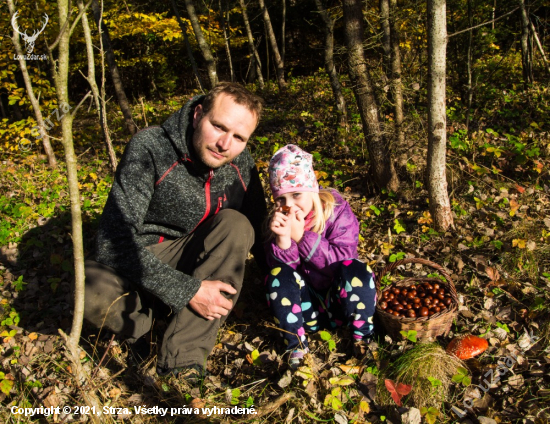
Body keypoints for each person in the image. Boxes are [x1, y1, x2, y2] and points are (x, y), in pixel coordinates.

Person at [84, 82, 267, 379]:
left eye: (239, 137)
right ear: (197, 115)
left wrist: (296, 282)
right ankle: (142, 332)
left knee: (237, 225)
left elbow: (258, 234)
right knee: (87, 289)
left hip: (195, 259)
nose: (225, 144)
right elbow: (112, 242)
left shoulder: (242, 164)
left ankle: (184, 361)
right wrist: (187, 290)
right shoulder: (151, 147)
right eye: (218, 127)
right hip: (140, 260)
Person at [264, 145, 376, 369]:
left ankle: (362, 338)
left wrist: (302, 237)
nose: (289, 206)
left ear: (312, 189)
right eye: (281, 199)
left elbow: (341, 258)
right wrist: (284, 241)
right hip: (305, 312)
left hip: (341, 303)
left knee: (358, 269)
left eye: (296, 195)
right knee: (276, 276)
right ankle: (296, 346)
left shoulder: (337, 212)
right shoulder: (278, 223)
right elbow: (284, 278)